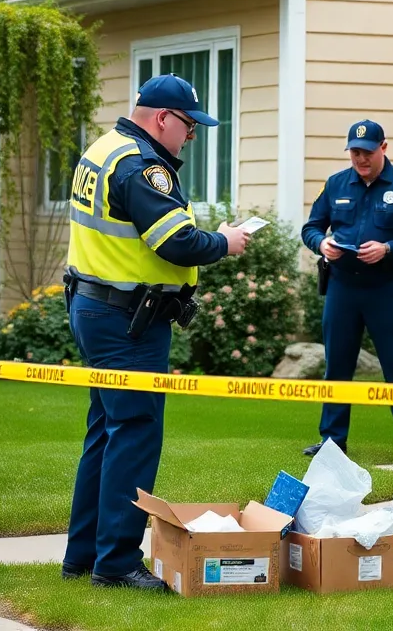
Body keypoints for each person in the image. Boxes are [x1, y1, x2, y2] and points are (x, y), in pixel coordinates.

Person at [60, 74, 250, 590]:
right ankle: (116, 564)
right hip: (128, 321)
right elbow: (176, 242)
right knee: (134, 435)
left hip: (97, 306)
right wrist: (224, 242)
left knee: (106, 432)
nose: (191, 136)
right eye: (189, 126)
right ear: (163, 118)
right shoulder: (143, 165)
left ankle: (83, 556)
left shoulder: (104, 148)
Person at [300, 120, 393, 466]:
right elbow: (311, 227)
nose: (361, 159)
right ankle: (332, 441)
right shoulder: (335, 184)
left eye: (367, 152)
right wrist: (322, 244)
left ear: (383, 148)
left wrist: (388, 248)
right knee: (337, 363)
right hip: (342, 286)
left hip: (386, 287)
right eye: (355, 152)